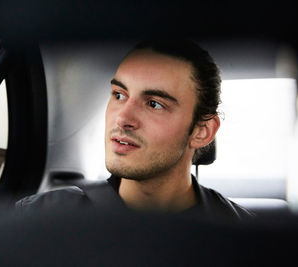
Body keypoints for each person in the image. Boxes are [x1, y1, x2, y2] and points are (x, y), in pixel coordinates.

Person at [16, 39, 253, 222]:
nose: (122, 118)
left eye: (154, 104)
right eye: (119, 95)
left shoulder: (241, 235)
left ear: (202, 131)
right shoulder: (41, 217)